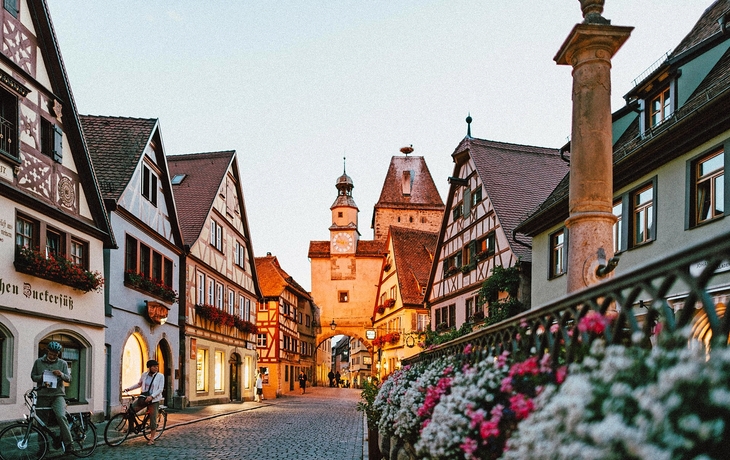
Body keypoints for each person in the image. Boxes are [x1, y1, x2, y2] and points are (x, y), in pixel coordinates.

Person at [31, 341, 74, 453]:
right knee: (41, 422)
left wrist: (61, 374)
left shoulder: (62, 363)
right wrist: (43, 377)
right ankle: (43, 448)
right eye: (51, 354)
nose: (52, 356)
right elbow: (33, 377)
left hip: (57, 395)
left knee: (61, 416)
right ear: (47, 351)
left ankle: (69, 445)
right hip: (43, 395)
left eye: (55, 355)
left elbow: (69, 379)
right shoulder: (38, 362)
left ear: (58, 354)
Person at [124, 359, 164, 445]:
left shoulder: (160, 376)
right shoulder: (144, 375)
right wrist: (129, 388)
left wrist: (152, 396)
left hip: (154, 400)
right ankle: (131, 428)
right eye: (154, 366)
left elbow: (160, 389)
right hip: (143, 398)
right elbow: (139, 384)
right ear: (149, 367)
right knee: (130, 411)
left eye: (157, 366)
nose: (156, 368)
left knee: (153, 418)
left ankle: (152, 438)